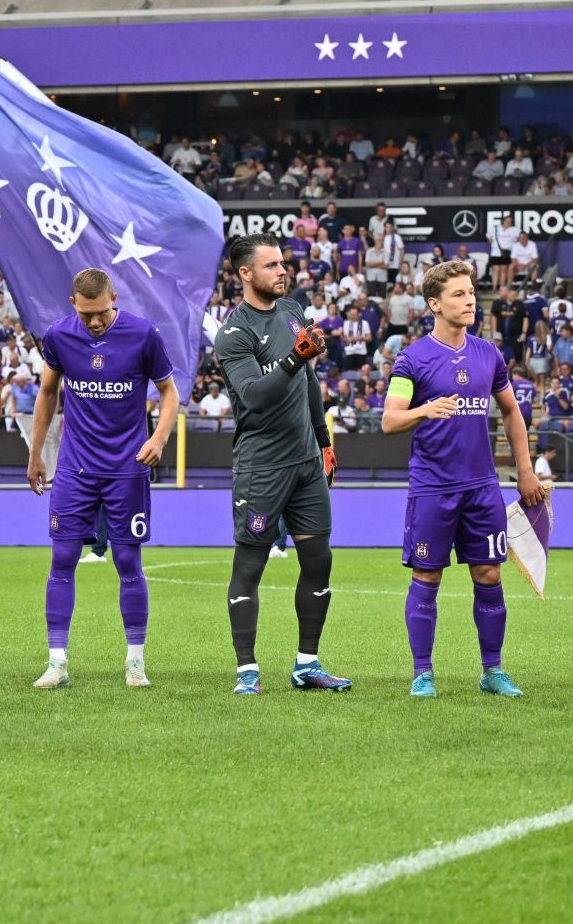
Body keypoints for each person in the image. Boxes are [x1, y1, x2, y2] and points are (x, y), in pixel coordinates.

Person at [381, 260, 545, 698]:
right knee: (427, 579)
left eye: (471, 292)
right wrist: (423, 409)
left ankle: (492, 671)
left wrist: (525, 470)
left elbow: (511, 411)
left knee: (490, 574)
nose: (470, 299)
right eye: (458, 294)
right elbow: (389, 420)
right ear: (434, 303)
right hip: (433, 488)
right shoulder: (412, 358)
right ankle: (423, 673)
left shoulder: (489, 353)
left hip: (481, 487)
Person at [24, 269, 178, 690]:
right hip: (75, 468)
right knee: (61, 559)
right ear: (72, 302)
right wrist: (37, 453)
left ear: (114, 297)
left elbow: (169, 392)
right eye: (86, 313)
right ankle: (57, 661)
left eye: (101, 312)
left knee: (128, 562)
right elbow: (47, 393)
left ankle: (135, 662)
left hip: (127, 468)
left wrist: (159, 438)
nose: (94, 321)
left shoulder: (143, 334)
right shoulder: (58, 336)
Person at [214, 235, 349, 695]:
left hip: (307, 462)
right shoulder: (234, 334)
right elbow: (253, 396)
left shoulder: (291, 311)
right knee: (250, 566)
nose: (282, 270)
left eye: (282, 263)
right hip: (263, 467)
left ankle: (306, 665)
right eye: (271, 265)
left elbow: (308, 381)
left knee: (318, 561)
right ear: (245, 274)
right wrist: (296, 357)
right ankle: (246, 671)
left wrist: (324, 438)